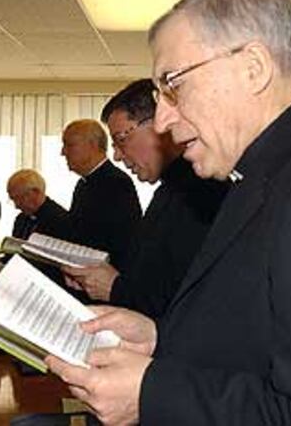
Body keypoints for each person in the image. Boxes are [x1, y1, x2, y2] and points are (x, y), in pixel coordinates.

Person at [46, 0, 291, 425]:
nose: (162, 119)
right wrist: (160, 340)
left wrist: (151, 393)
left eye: (173, 85)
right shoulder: (262, 175)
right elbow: (256, 346)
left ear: (253, 68)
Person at [62, 79, 227, 318]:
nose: (117, 155)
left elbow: (189, 303)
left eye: (121, 139)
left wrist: (115, 288)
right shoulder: (171, 190)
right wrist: (100, 279)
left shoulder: (202, 193)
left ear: (160, 122)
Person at [61, 119, 141, 271]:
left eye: (69, 145)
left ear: (93, 145)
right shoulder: (82, 185)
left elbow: (123, 244)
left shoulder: (117, 184)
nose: (63, 152)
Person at [7, 169, 69, 240]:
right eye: (13, 199)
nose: (16, 205)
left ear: (36, 193)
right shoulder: (21, 220)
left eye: (20, 198)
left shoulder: (60, 220)